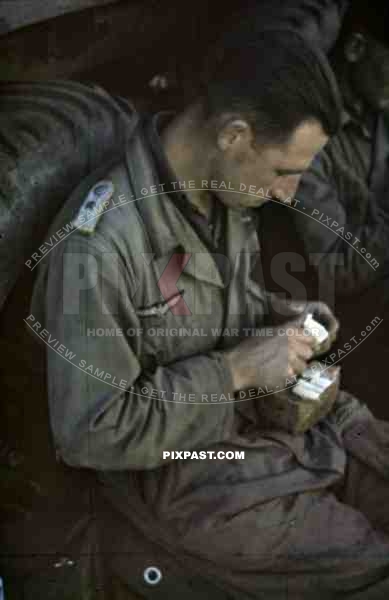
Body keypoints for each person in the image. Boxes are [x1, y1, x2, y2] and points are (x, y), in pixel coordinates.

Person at [30, 32, 389, 599]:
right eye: (283, 171)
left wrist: (278, 319)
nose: (290, 194)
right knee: (369, 569)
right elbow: (92, 434)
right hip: (187, 471)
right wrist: (236, 371)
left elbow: (205, 311)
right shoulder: (100, 246)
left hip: (260, 427)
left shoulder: (223, 191)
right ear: (234, 136)